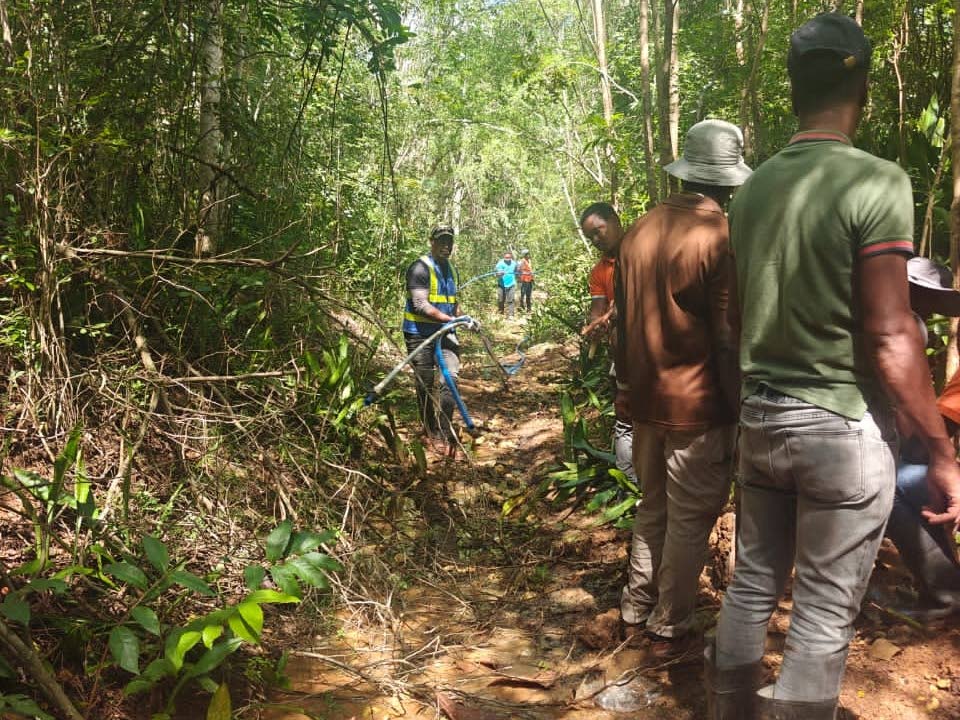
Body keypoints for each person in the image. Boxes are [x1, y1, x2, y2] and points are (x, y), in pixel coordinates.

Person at [709, 14, 960, 720]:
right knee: (821, 609)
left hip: (761, 418)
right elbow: (889, 332)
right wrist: (941, 453)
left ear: (793, 89)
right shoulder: (876, 181)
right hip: (839, 427)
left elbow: (734, 321)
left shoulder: (753, 191)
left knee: (752, 585)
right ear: (864, 91)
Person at [612, 120, 749, 657]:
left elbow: (623, 323)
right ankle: (670, 622)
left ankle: (635, 605)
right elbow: (727, 336)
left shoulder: (639, 231)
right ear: (728, 183)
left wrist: (625, 386)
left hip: (645, 400)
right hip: (699, 405)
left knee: (653, 507)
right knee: (690, 517)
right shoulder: (720, 236)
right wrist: (739, 407)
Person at [885, 257, 960, 621]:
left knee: (893, 489)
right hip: (918, 435)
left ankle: (946, 594)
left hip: (913, 436)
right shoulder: (905, 325)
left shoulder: (902, 326)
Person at [579, 202, 637, 503]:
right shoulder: (600, 271)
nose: (596, 240)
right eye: (590, 237)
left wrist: (616, 312)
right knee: (625, 417)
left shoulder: (641, 250)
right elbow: (598, 308)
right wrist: (595, 326)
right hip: (624, 354)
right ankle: (631, 486)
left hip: (656, 354)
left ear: (614, 220)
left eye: (598, 231)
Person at [402, 225, 466, 455]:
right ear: (432, 242)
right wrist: (449, 319)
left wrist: (462, 318)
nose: (446, 246)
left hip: (446, 334)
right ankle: (430, 430)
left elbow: (452, 302)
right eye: (441, 241)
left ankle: (445, 428)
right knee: (425, 383)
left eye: (449, 241)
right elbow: (420, 305)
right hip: (419, 334)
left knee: (450, 378)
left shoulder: (452, 270)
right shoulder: (419, 268)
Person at [495, 251, 518, 318]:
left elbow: (516, 271)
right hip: (501, 284)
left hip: (511, 284)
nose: (507, 258)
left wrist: (518, 275)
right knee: (501, 299)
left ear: (511, 257)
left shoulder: (514, 263)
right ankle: (501, 312)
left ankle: (511, 314)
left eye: (509, 257)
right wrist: (499, 274)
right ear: (504, 257)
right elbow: (497, 273)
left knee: (511, 299)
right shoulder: (500, 263)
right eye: (506, 257)